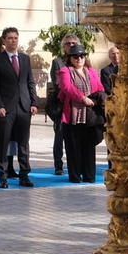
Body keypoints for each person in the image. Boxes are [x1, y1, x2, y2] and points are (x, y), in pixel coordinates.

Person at [0, 27, 38, 189]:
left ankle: (24, 175)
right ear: (3, 40)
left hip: (24, 107)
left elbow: (30, 82)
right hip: (5, 108)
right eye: (9, 38)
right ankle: (3, 175)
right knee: (3, 142)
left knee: (23, 143)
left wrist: (34, 102)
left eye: (15, 38)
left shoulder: (24, 59)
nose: (13, 41)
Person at [56, 45, 105, 184]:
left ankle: (89, 176)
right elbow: (67, 87)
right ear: (70, 59)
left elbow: (100, 87)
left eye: (82, 56)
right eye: (75, 57)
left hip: (90, 114)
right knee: (73, 147)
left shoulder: (91, 71)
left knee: (89, 146)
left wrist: (95, 100)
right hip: (73, 115)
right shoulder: (65, 71)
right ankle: (75, 176)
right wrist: (83, 98)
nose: (79, 59)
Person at [46, 32, 81, 175]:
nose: (71, 45)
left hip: (79, 103)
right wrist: (74, 92)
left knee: (77, 136)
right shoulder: (57, 62)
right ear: (63, 47)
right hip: (63, 104)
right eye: (68, 43)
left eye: (73, 43)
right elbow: (58, 83)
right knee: (60, 134)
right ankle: (58, 165)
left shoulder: (81, 59)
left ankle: (77, 163)